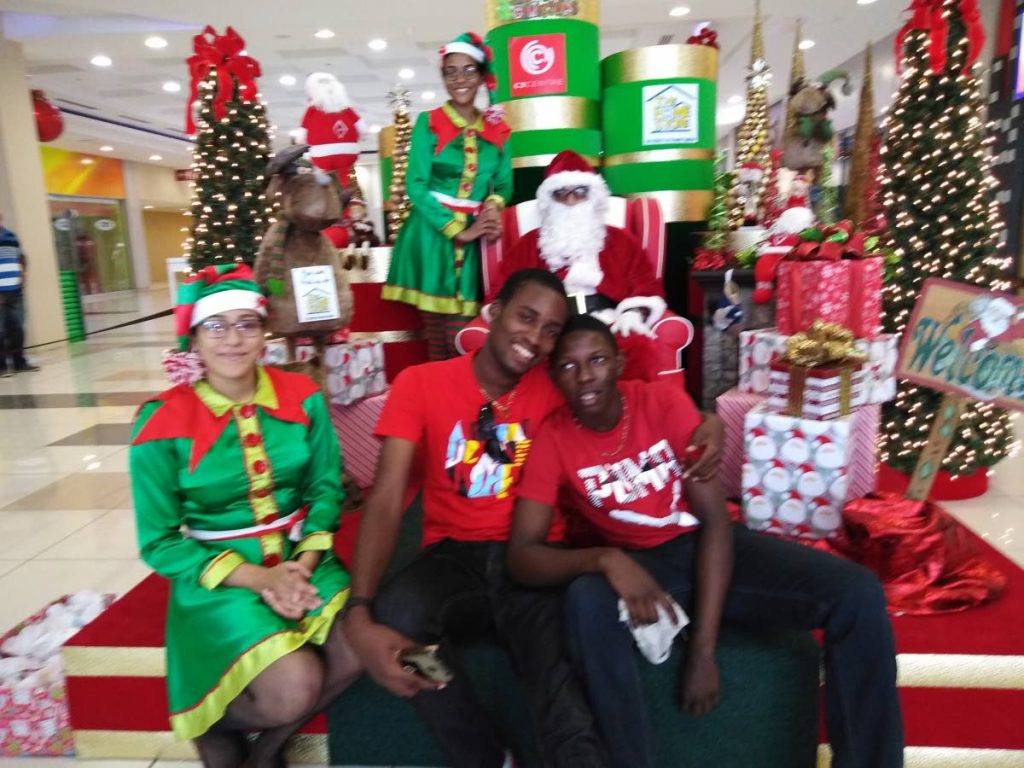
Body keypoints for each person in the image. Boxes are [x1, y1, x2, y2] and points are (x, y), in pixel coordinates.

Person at [343, 269, 725, 768]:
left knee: (552, 673)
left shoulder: (558, 382)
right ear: (494, 313)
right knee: (402, 612)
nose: (537, 339)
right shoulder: (421, 383)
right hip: (454, 556)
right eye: (526, 317)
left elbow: (633, 392)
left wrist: (708, 420)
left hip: (536, 552)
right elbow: (388, 498)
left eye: (550, 329)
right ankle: (486, 757)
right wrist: (359, 605)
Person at [508, 314, 905, 768]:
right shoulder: (554, 438)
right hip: (643, 567)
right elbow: (522, 556)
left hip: (708, 548)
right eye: (568, 366)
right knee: (584, 600)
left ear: (618, 363)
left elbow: (716, 523)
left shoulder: (661, 404)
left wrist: (702, 650)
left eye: (596, 360)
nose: (584, 377)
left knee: (857, 592)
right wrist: (604, 559)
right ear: (554, 375)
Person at [129, 264, 361, 768]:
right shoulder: (159, 423)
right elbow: (160, 541)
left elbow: (324, 486)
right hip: (221, 577)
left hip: (306, 556)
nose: (233, 339)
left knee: (363, 639)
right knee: (296, 685)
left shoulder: (302, 397)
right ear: (193, 337)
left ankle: (265, 754)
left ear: (263, 332)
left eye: (246, 324)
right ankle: (214, 723)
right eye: (216, 325)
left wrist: (304, 560)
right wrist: (259, 578)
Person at [486, 150, 673, 382]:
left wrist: (634, 313)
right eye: (560, 194)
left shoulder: (620, 240)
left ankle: (630, 416)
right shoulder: (528, 245)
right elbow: (499, 294)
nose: (571, 201)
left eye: (580, 192)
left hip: (607, 321)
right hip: (549, 328)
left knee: (637, 345)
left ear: (593, 197)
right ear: (548, 201)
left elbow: (647, 286)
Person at [383, 32, 511, 361]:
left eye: (469, 70)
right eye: (451, 71)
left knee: (461, 338)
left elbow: (504, 184)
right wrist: (457, 229)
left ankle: (460, 404)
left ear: (482, 76)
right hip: (430, 237)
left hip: (473, 242)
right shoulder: (430, 122)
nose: (459, 79)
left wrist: (492, 209)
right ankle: (441, 407)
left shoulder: (497, 128)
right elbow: (416, 185)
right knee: (437, 340)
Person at [0, 215, 39, 376]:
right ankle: (2, 367)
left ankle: (19, 362)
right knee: (0, 331)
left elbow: (21, 257)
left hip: (16, 291)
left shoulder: (11, 236)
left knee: (17, 328)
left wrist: (24, 275)